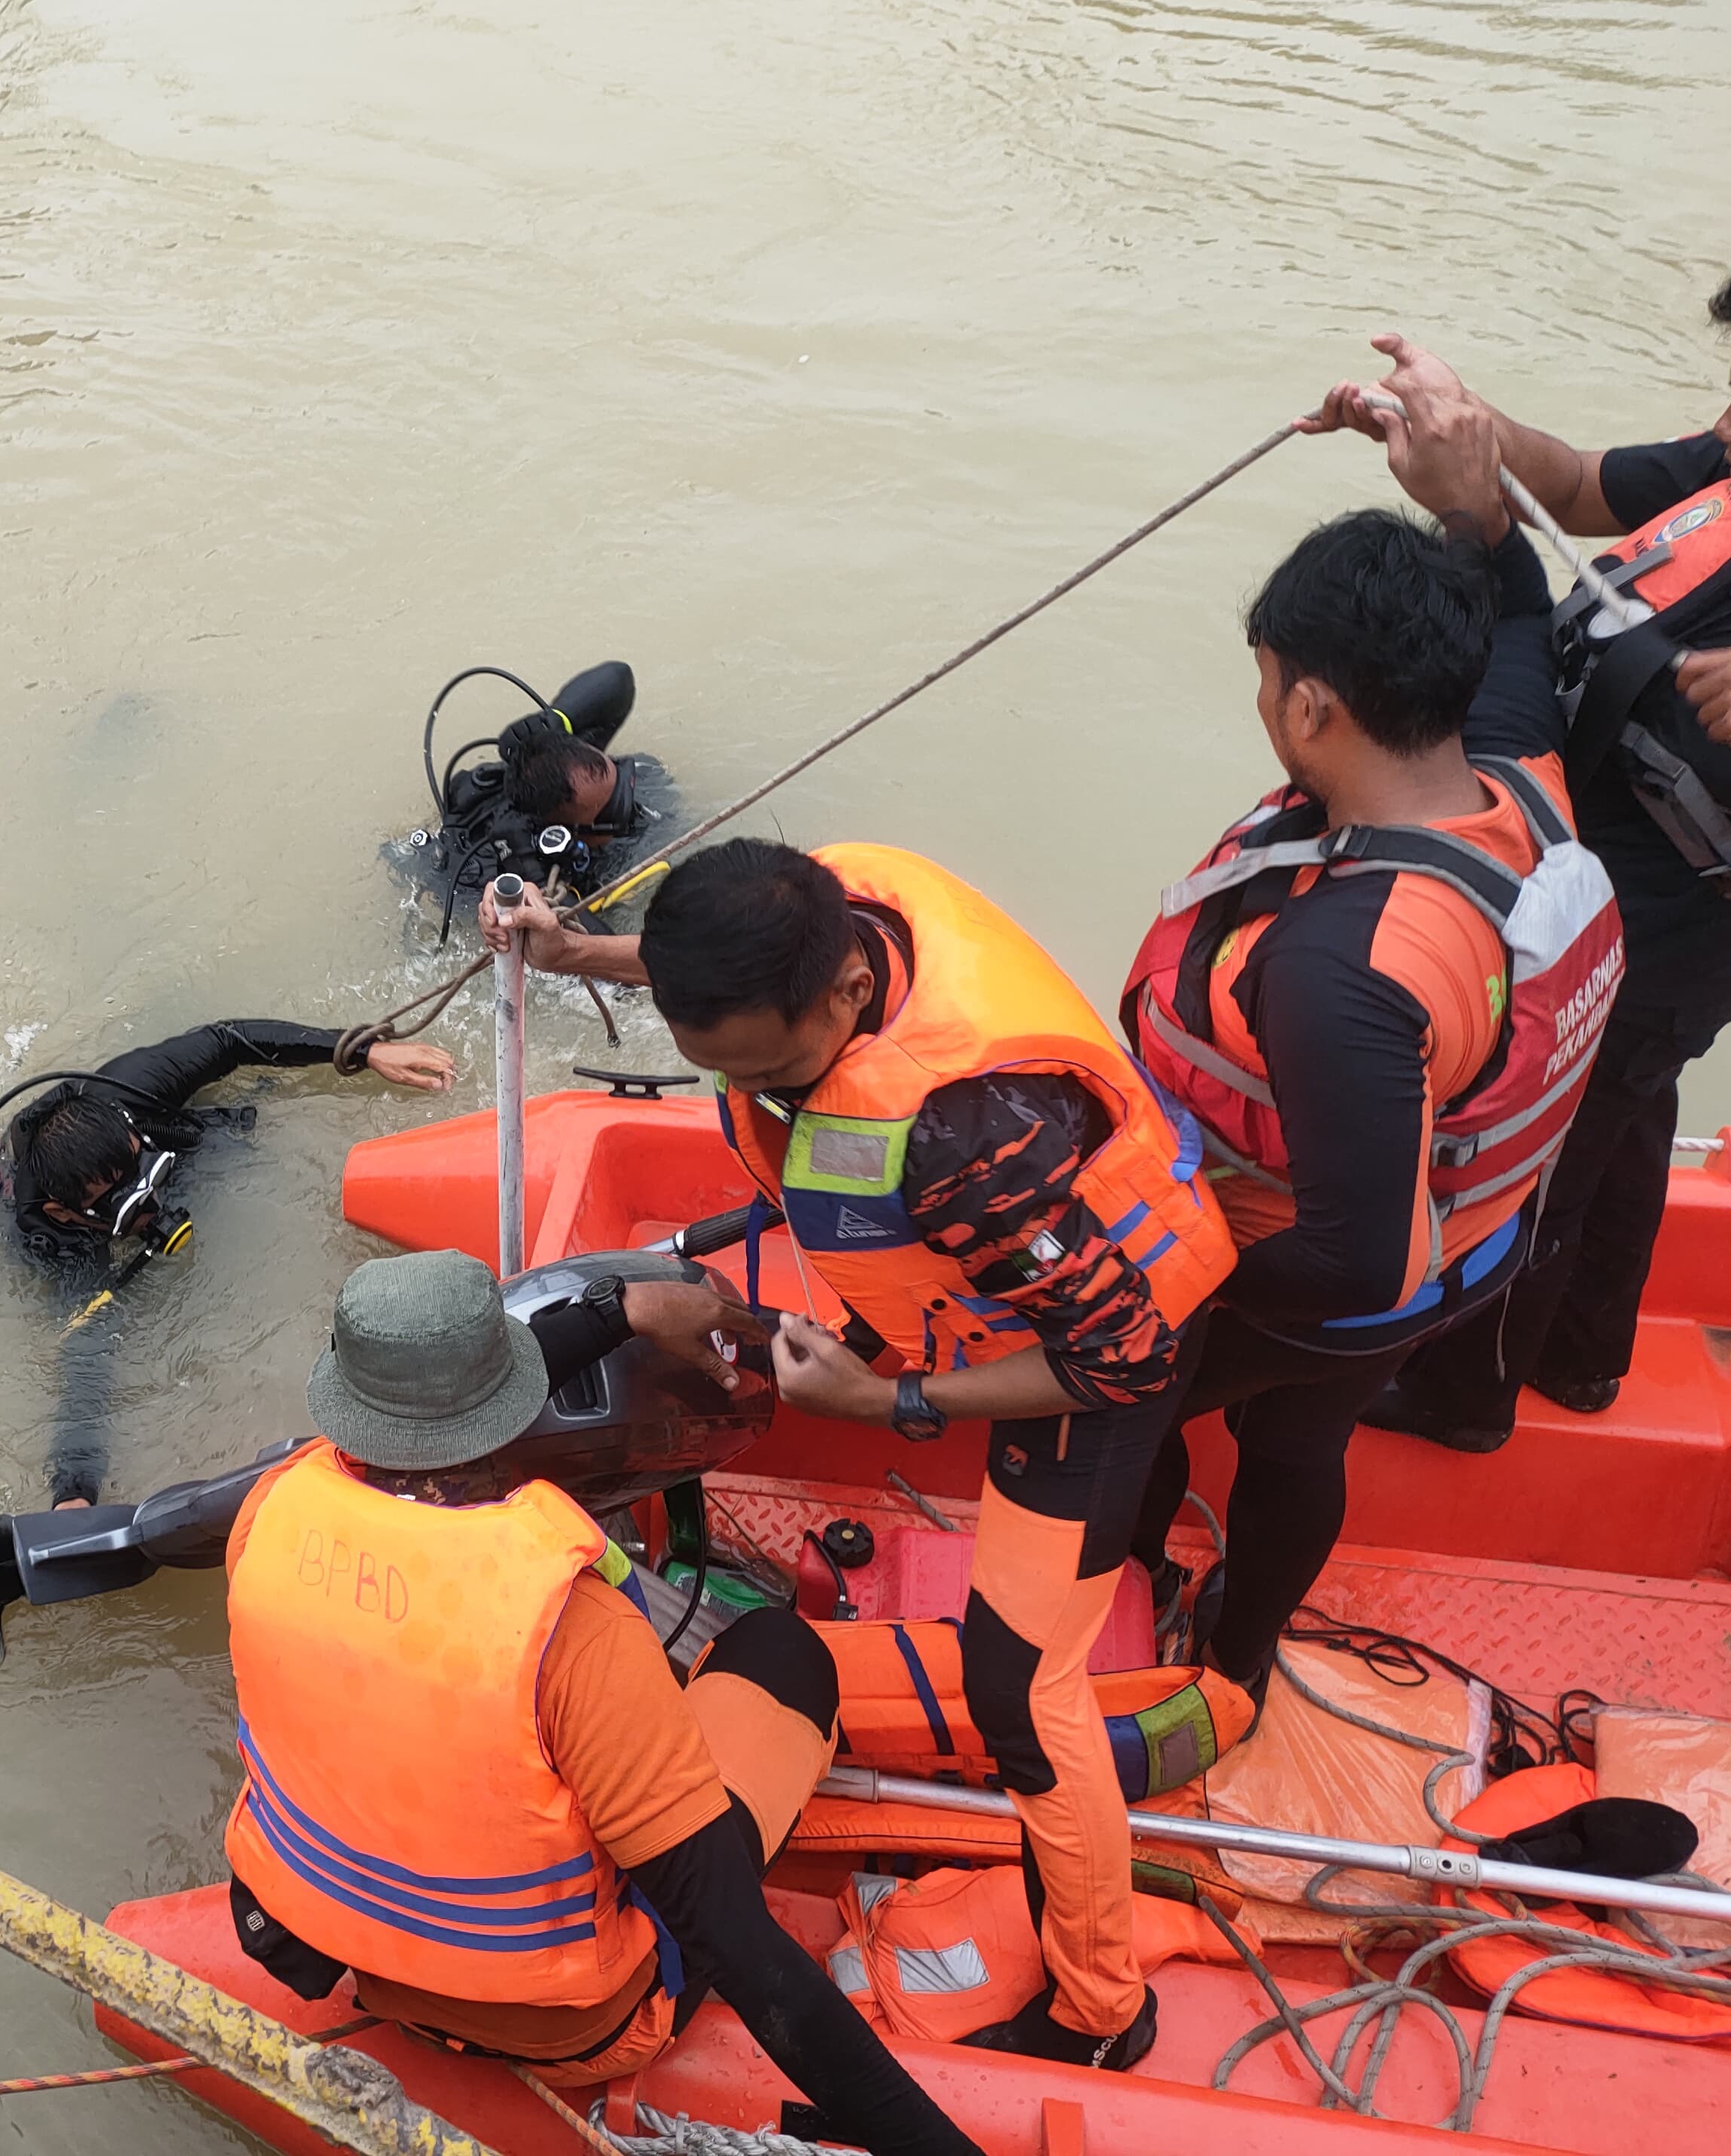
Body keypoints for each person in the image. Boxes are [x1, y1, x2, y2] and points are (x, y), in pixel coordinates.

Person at [483, 841, 1233, 2071]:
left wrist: (896, 1402)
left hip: (1103, 1336)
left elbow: (1123, 1360)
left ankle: (1106, 2009)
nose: (754, 1090)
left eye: (771, 1072)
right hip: (990, 1281)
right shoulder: (816, 901)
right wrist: (574, 953)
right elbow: (722, 971)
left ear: (840, 998)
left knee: (1020, 1696)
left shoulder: (964, 1136)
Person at [222, 1249, 980, 2156]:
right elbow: (741, 1945)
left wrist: (621, 1310)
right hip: (573, 2027)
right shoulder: (571, 1630)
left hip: (365, 1972)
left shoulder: (265, 1519)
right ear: (514, 1411)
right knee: (780, 1650)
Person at [1114, 509, 1622, 1678]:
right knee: (1300, 1440)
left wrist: (1156, 1292)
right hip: (1476, 1238)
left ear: (1309, 710)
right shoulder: (1514, 768)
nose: (1266, 708)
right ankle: (1240, 1660)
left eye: (1268, 684)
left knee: (1117, 1401)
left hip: (1347, 1277)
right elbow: (1514, 613)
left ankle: (1145, 1599)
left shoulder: (1341, 966)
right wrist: (1473, 504)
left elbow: (1354, 1263)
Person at [1301, 251, 1731, 1446]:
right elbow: (1567, 483)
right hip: (1613, 888)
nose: (1726, 430)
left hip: (1680, 929)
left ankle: (1469, 1394)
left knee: (1549, 1147)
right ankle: (1586, 1356)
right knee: (1623, 1105)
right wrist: (1456, 425)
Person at [0, 1020, 455, 1504]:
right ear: (65, 1212)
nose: (148, 1201)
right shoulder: (51, 1235)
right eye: (122, 1201)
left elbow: (229, 1040)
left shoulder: (132, 1089)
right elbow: (84, 1364)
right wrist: (74, 1493)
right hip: (51, 1217)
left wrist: (365, 1052)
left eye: (143, 1172)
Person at [406, 661, 677, 927]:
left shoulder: (570, 768)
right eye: (613, 809)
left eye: (620, 776)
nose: (628, 805)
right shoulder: (493, 869)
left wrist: (557, 718)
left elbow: (619, 676)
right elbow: (600, 959)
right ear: (562, 833)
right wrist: (531, 878)